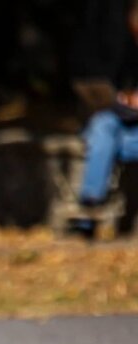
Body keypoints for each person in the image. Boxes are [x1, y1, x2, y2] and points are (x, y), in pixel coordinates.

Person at [73, 0, 138, 230]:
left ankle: (88, 211)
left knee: (104, 136)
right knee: (103, 125)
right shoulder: (126, 53)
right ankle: (90, 205)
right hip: (125, 125)